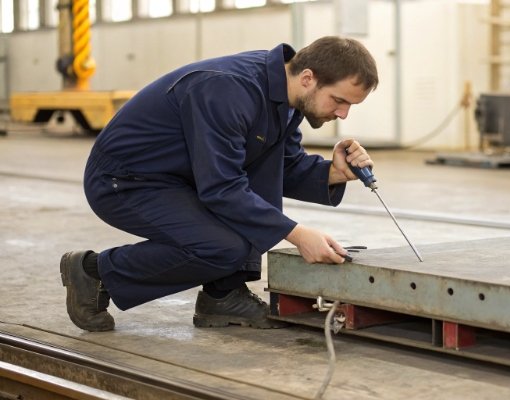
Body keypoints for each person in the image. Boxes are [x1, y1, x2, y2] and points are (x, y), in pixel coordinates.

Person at [59, 36, 379, 332]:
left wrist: (333, 174)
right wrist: (298, 234)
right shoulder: (227, 90)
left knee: (260, 173)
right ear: (308, 78)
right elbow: (222, 188)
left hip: (182, 178)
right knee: (221, 247)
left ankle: (222, 295)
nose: (343, 114)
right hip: (125, 179)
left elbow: (285, 166)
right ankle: (94, 272)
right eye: (339, 100)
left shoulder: (286, 98)